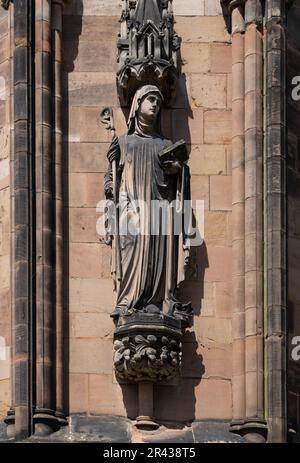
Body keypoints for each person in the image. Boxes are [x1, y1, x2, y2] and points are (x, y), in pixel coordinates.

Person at [105, 85, 192, 325]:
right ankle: (129, 301)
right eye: (150, 99)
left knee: (157, 255)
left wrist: (179, 172)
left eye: (158, 101)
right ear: (137, 104)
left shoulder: (165, 144)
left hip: (160, 210)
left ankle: (156, 301)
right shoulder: (123, 143)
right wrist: (111, 187)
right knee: (133, 247)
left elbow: (180, 184)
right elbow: (111, 179)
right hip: (131, 208)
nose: (155, 105)